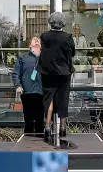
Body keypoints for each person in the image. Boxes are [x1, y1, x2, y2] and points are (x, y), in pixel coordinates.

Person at [39, 12, 75, 142]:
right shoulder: (67, 37)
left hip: (47, 72)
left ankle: (47, 127)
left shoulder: (44, 36)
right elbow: (73, 52)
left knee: (48, 99)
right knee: (63, 98)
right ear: (63, 23)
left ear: (51, 22)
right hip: (64, 73)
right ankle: (63, 128)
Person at [12, 37, 44, 134]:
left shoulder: (45, 57)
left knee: (40, 119)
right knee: (28, 118)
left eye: (38, 40)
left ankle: (40, 143)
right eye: (34, 40)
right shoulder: (23, 57)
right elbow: (15, 73)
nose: (37, 41)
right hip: (27, 91)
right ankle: (27, 141)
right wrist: (18, 85)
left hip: (41, 91)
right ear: (30, 45)